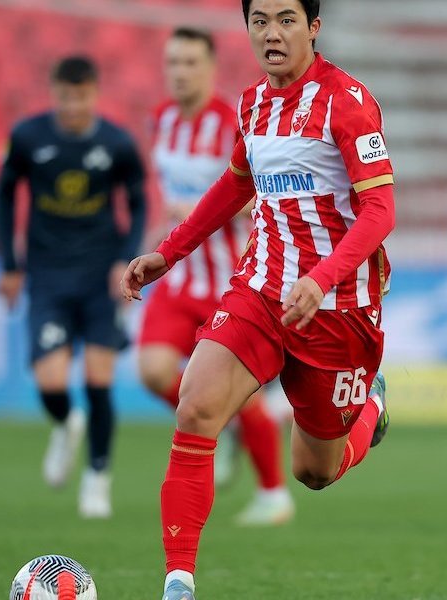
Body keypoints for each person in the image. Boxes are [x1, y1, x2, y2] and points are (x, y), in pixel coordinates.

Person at [121, 1, 394, 598]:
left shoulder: (347, 102)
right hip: (261, 291)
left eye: (287, 20)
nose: (272, 33)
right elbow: (235, 185)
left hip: (337, 309)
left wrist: (321, 279)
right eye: (260, 21)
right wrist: (169, 252)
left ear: (314, 28)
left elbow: (380, 211)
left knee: (314, 471)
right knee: (195, 408)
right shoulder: (252, 104)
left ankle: (371, 406)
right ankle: (178, 582)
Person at [141, 26, 293, 526]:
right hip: (180, 280)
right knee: (153, 371)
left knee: (235, 392)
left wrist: (200, 211)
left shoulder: (234, 121)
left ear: (210, 68)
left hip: (227, 280)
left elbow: (263, 194)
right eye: (173, 63)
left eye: (190, 62)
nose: (180, 72)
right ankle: (221, 423)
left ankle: (274, 494)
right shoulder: (162, 120)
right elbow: (166, 197)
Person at [0, 55, 147, 519]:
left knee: (99, 379)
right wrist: (10, 264)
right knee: (51, 381)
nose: (73, 106)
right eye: (65, 96)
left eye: (81, 97)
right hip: (48, 275)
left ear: (94, 94)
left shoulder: (117, 143)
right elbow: (3, 195)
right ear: (53, 93)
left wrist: (125, 259)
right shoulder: (28, 137)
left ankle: (97, 479)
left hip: (100, 277)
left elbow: (138, 204)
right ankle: (65, 423)